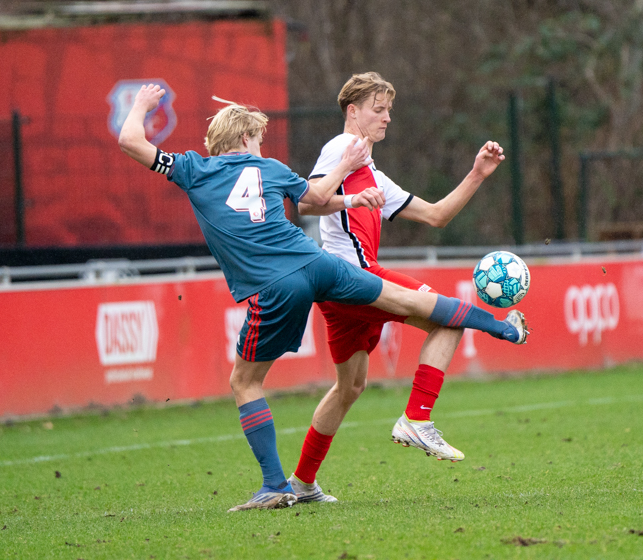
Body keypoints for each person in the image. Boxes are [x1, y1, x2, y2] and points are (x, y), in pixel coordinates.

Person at [117, 83, 528, 512]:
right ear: (243, 139)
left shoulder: (192, 169)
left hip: (277, 283)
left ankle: (277, 484)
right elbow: (313, 199)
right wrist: (348, 180)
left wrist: (143, 105)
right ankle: (500, 329)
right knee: (388, 340)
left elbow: (131, 141)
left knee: (246, 381)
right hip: (320, 265)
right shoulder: (280, 166)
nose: (260, 147)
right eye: (257, 139)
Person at [288, 71, 528, 503]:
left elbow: (437, 215)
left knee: (349, 388)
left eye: (389, 111)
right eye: (378, 110)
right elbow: (306, 201)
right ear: (353, 111)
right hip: (355, 278)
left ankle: (302, 485)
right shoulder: (343, 148)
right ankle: (419, 416)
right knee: (447, 318)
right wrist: (345, 167)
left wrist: (477, 173)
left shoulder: (375, 177)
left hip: (338, 289)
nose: (386, 119)